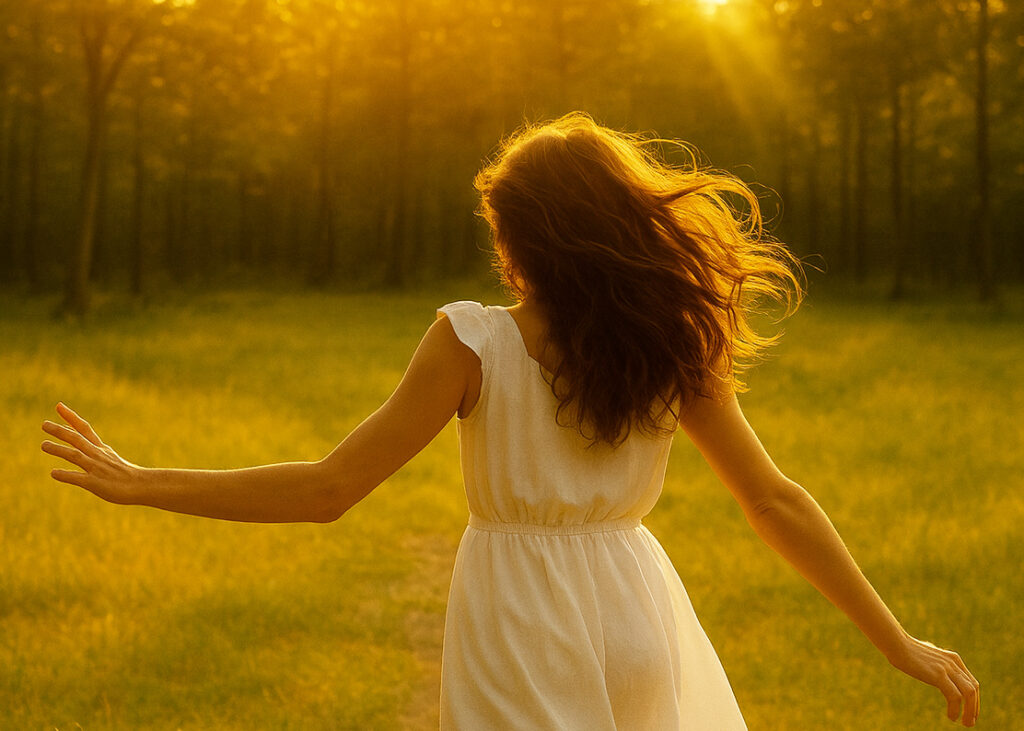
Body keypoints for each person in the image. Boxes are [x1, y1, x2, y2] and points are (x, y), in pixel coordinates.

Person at [41, 112, 979, 729]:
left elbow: (329, 488)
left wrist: (143, 480)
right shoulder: (667, 341)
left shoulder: (471, 341)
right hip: (636, 607)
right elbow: (775, 499)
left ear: (525, 236)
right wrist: (899, 640)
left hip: (518, 620)